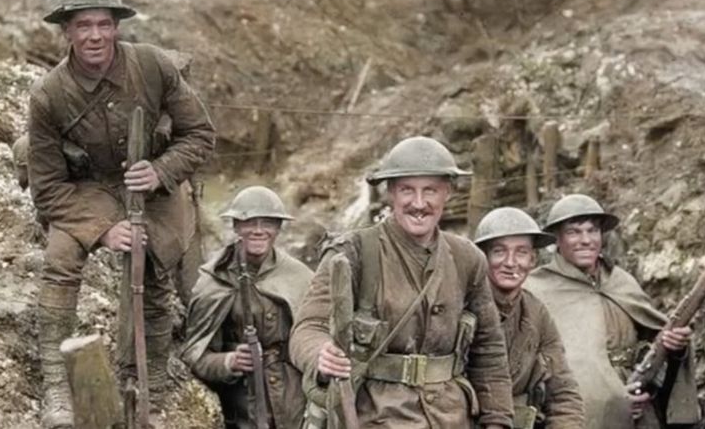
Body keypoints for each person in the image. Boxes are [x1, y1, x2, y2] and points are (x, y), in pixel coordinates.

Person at [26, 0, 215, 428]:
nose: (95, 36)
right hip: (89, 189)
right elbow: (47, 188)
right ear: (66, 33)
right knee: (60, 256)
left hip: (150, 180)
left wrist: (162, 171)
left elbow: (200, 134)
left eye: (104, 24)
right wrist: (102, 230)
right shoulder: (49, 95)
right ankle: (57, 387)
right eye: (83, 26)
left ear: (116, 28)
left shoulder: (152, 66)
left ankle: (146, 383)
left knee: (156, 260)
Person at [289, 136, 513, 429]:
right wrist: (321, 354)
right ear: (391, 193)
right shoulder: (353, 252)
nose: (419, 204)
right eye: (407, 190)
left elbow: (490, 353)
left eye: (430, 190)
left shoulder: (467, 259)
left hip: (452, 418)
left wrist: (497, 422)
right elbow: (307, 328)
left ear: (447, 193)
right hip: (372, 417)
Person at [525, 194, 701, 429]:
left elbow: (653, 346)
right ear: (557, 239)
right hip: (578, 413)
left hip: (640, 406)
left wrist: (674, 348)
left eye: (592, 230)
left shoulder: (620, 281)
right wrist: (614, 398)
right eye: (574, 232)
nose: (585, 240)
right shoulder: (537, 289)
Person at [181, 185, 313, 429]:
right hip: (244, 409)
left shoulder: (300, 276)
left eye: (268, 223)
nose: (259, 230)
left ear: (278, 228)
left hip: (296, 403)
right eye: (249, 222)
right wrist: (229, 361)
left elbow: (317, 337)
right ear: (236, 227)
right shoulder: (214, 281)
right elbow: (194, 355)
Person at [474, 207, 584, 429]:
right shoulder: (461, 306)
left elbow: (563, 392)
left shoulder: (536, 314)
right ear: (482, 258)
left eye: (521, 253)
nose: (511, 262)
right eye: (499, 251)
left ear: (533, 260)